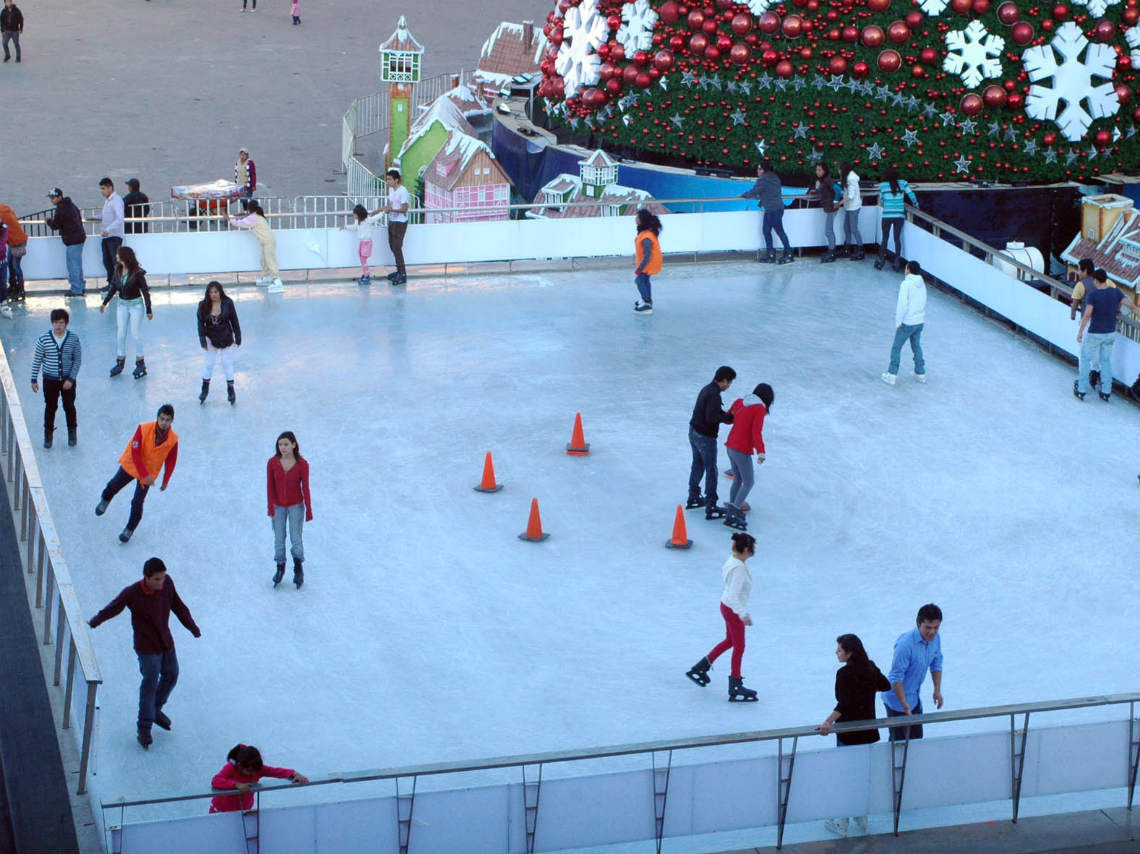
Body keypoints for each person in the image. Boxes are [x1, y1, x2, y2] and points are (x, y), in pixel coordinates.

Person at [87, 557, 201, 749]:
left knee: (172, 675)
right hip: (146, 647)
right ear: (146, 578)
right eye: (157, 579)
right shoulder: (133, 593)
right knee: (150, 681)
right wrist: (95, 621)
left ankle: (155, 708)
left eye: (163, 578)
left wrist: (192, 627)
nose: (161, 582)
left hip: (166, 642)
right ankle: (144, 726)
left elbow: (179, 607)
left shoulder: (168, 584)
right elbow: (113, 608)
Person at [815, 633, 890, 837]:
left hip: (848, 733)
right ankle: (860, 815)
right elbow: (885, 685)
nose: (836, 653)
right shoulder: (870, 667)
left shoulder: (844, 674)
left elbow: (844, 703)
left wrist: (828, 722)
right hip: (868, 732)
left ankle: (842, 821)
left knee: (845, 775)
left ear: (849, 653)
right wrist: (870, 678)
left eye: (839, 649)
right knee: (861, 774)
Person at [685, 532, 759, 702]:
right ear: (747, 549)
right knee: (739, 647)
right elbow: (734, 594)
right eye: (752, 548)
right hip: (733, 610)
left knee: (730, 641)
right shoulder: (739, 568)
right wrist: (743, 614)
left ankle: (701, 667)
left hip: (725, 606)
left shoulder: (733, 560)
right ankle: (735, 684)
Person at [96, 404, 179, 543]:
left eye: (167, 419)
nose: (164, 422)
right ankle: (106, 499)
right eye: (162, 418)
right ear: (157, 418)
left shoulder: (173, 439)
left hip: (149, 472)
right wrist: (144, 474)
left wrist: (166, 480)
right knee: (114, 486)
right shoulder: (143, 429)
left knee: (137, 502)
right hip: (132, 465)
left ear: (172, 420)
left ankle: (129, 529)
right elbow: (135, 453)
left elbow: (171, 460)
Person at [1075, 268, 1138, 402]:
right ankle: (1106, 391)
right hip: (1110, 332)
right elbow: (1132, 306)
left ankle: (1081, 389)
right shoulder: (1116, 292)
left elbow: (1087, 314)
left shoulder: (1093, 295)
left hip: (1095, 332)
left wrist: (1080, 332)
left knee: (1086, 359)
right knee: (1105, 361)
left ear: (1096, 280)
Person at [883, 603, 944, 741]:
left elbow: (936, 663)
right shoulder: (905, 645)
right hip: (896, 701)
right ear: (918, 623)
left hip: (913, 698)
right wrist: (905, 706)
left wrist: (937, 690)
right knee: (898, 743)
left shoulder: (936, 639)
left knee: (916, 740)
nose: (932, 632)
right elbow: (895, 677)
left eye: (936, 627)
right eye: (928, 627)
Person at [686, 366, 736, 520]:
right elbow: (711, 417)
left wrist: (726, 416)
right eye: (730, 382)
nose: (729, 386)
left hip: (694, 431)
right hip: (705, 437)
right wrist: (729, 418)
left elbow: (712, 413)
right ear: (724, 380)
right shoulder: (714, 394)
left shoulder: (707, 389)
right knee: (711, 469)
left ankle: (693, 496)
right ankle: (711, 505)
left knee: (697, 464)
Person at [722, 383, 772, 532]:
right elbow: (756, 432)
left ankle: (733, 503)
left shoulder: (739, 402)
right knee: (749, 482)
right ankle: (734, 510)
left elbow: (728, 419)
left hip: (730, 446)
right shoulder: (759, 408)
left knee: (738, 479)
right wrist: (761, 452)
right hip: (741, 450)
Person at [30, 308, 82, 448]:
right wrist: (34, 379)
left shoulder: (73, 339)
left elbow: (77, 360)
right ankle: (48, 435)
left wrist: (71, 379)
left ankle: (72, 433)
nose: (58, 326)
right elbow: (37, 360)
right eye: (55, 323)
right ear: (52, 323)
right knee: (50, 407)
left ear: (66, 324)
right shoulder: (44, 339)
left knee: (69, 407)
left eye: (61, 323)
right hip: (50, 380)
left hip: (67, 381)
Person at [267, 431, 312, 589]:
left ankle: (298, 567)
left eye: (286, 444)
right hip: (278, 506)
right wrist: (270, 508)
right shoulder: (272, 463)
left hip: (296, 506)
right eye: (280, 444)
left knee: (296, 537)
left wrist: (309, 509)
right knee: (279, 538)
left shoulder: (302, 464)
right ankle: (280, 567)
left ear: (293, 444)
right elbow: (270, 487)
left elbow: (305, 487)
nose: (283, 447)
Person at [100, 245, 152, 380]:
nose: (116, 256)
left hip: (136, 306)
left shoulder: (138, 273)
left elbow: (145, 292)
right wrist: (105, 303)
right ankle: (120, 360)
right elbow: (113, 288)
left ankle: (140, 362)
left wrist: (149, 309)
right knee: (120, 334)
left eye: (118, 254)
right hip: (122, 305)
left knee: (135, 334)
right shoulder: (117, 270)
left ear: (124, 257)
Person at [210, 745, 308, 813]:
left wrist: (295, 774)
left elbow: (276, 771)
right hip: (220, 811)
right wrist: (236, 785)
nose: (252, 774)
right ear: (240, 765)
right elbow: (216, 780)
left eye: (255, 771)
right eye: (249, 771)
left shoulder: (257, 769)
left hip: (243, 812)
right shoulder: (231, 767)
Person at [881, 260, 927, 386]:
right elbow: (923, 301)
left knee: (896, 347)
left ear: (909, 270)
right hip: (919, 321)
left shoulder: (906, 284)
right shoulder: (922, 284)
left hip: (907, 322)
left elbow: (902, 305)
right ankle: (920, 373)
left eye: (906, 268)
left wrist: (898, 322)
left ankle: (892, 374)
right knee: (916, 346)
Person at [197, 281, 242, 404]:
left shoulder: (228, 303)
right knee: (209, 364)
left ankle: (231, 391)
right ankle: (204, 390)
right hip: (210, 338)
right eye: (211, 292)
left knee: (227, 363)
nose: (214, 294)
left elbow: (234, 320)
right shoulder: (202, 305)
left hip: (226, 337)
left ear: (220, 292)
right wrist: (202, 341)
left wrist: (238, 336)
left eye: (216, 292)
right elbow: (200, 324)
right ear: (208, 294)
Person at [742, 159, 792, 264]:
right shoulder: (775, 177)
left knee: (779, 231)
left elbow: (755, 191)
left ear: (764, 169)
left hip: (773, 209)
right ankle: (771, 253)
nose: (757, 171)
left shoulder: (763, 179)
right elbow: (769, 191)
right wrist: (762, 200)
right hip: (776, 208)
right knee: (766, 230)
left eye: (759, 169)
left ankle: (788, 253)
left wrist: (744, 195)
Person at [228, 202, 283, 291]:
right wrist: (241, 214)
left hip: (268, 242)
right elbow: (247, 216)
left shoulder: (253, 217)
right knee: (263, 260)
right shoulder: (257, 215)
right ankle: (267, 278)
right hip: (266, 242)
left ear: (250, 209)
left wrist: (229, 219)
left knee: (270, 261)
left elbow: (240, 223)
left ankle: (277, 281)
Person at [875, 167, 918, 272]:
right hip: (899, 215)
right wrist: (916, 204)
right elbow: (911, 194)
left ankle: (881, 261)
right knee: (897, 238)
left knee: (885, 238)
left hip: (887, 215)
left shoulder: (883, 186)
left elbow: (882, 199)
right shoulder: (903, 183)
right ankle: (897, 262)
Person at [45, 188, 86, 297]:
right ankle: (80, 287)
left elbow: (55, 225)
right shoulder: (71, 205)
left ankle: (76, 289)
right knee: (77, 264)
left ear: (59, 197)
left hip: (73, 240)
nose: (51, 200)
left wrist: (48, 221)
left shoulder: (61, 209)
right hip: (79, 238)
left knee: (73, 265)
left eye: (53, 198)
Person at [339, 203, 384, 285]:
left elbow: (376, 218)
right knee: (362, 259)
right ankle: (365, 274)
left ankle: (367, 276)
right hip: (362, 242)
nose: (354, 216)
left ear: (359, 214)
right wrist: (345, 227)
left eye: (355, 214)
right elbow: (354, 228)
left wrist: (383, 212)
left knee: (363, 259)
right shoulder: (357, 221)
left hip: (366, 242)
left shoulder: (367, 220)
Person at [632, 208, 662, 314]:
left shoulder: (646, 237)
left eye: (637, 217)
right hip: (649, 262)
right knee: (644, 280)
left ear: (642, 220)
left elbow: (647, 255)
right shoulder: (645, 232)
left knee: (639, 281)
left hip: (649, 263)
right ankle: (646, 299)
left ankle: (647, 303)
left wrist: (639, 269)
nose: (636, 219)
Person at [98, 178, 125, 291]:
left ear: (110, 187)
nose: (102, 191)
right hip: (107, 236)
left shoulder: (116, 200)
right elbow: (108, 216)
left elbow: (119, 218)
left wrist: (108, 229)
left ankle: (118, 284)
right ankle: (111, 282)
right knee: (107, 261)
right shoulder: (108, 201)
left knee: (115, 262)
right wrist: (96, 217)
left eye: (103, 188)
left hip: (113, 236)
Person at [384, 168, 410, 285]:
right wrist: (385, 209)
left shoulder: (402, 191)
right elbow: (391, 203)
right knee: (392, 246)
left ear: (396, 180)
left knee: (397, 247)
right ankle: (398, 270)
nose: (387, 181)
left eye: (390, 179)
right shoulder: (391, 190)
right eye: (387, 179)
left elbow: (405, 208)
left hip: (400, 222)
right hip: (392, 220)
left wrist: (392, 210)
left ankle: (402, 273)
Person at [0, 200, 28, 301]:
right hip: (18, 240)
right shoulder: (5, 209)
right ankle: (14, 287)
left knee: (15, 267)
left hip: (17, 242)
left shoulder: (1, 215)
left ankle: (20, 290)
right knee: (11, 265)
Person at [837, 162, 864, 260]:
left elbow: (851, 196)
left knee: (854, 229)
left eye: (839, 169)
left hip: (853, 207)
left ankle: (861, 250)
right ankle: (847, 248)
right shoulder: (847, 178)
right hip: (848, 207)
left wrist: (839, 203)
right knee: (846, 227)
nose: (838, 171)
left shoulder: (851, 179)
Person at [814, 163, 839, 263]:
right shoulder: (823, 180)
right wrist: (816, 189)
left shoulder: (828, 179)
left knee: (828, 231)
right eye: (817, 170)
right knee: (829, 230)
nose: (817, 172)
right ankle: (831, 250)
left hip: (831, 208)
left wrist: (835, 202)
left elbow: (838, 190)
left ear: (824, 171)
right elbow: (822, 191)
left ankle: (832, 252)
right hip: (828, 208)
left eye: (819, 170)